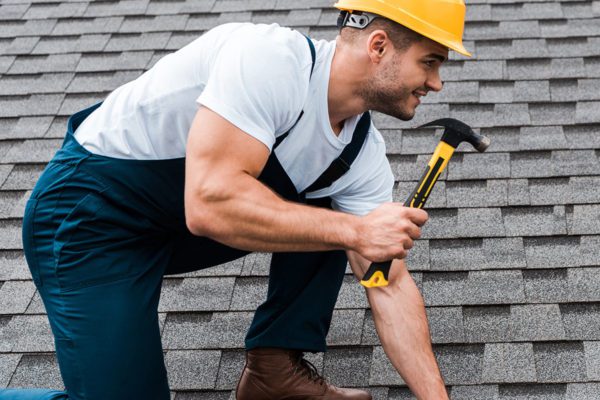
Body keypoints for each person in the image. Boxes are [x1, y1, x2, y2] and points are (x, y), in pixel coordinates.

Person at [1, 0, 471, 399]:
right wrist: (357, 231)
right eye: (430, 61)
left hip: (172, 226)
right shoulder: (267, 60)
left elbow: (385, 281)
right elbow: (209, 203)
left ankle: (275, 368)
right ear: (379, 46)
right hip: (88, 220)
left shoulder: (361, 154)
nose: (436, 84)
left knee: (341, 209)